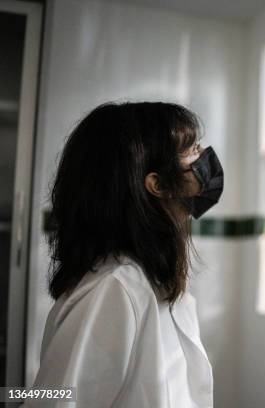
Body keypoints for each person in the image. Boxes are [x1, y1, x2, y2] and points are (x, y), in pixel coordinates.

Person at [25, 102, 223, 407]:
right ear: (156, 184)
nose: (203, 156)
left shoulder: (154, 278)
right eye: (191, 150)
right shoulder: (115, 288)